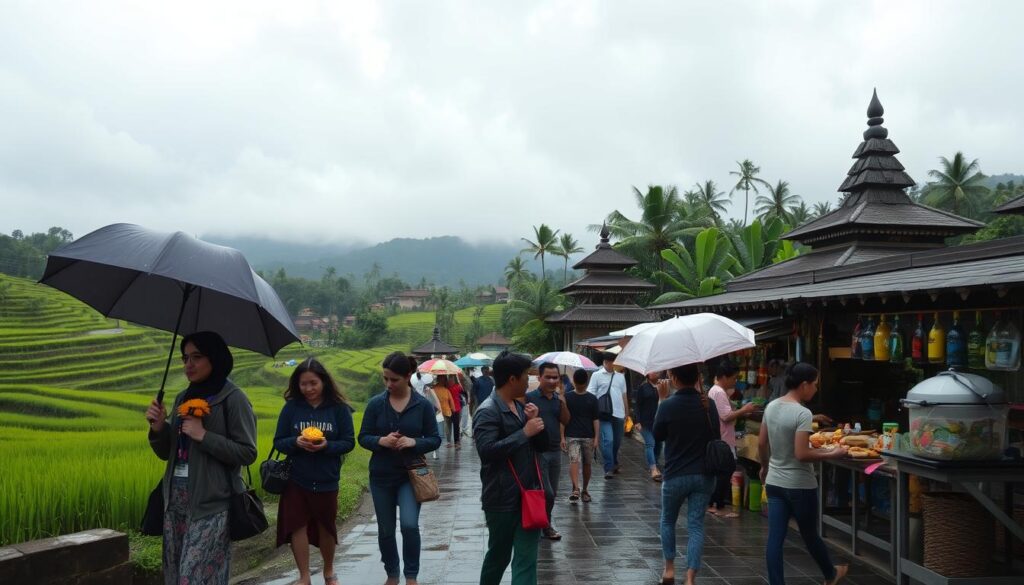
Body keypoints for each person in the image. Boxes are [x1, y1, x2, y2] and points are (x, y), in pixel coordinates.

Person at [145, 331, 257, 585]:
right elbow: (167, 453)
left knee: (192, 578)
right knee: (174, 576)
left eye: (196, 357)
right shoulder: (182, 398)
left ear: (215, 358)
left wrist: (203, 435)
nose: (189, 365)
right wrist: (159, 427)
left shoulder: (233, 399)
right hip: (174, 501)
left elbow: (247, 452)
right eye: (185, 358)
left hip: (211, 503)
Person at [759, 362, 849, 585]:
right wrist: (832, 453)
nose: (816, 389)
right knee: (809, 534)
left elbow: (762, 443)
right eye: (815, 385)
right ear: (804, 384)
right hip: (800, 485)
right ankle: (830, 574)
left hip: (774, 483)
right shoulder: (802, 413)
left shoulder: (771, 406)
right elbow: (802, 453)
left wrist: (764, 466)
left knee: (775, 538)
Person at [357, 352, 443, 585]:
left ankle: (411, 576)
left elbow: (435, 439)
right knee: (385, 529)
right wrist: (380, 441)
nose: (388, 384)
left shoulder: (422, 405)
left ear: (407, 377)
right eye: (385, 379)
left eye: (394, 379)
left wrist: (414, 442)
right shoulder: (376, 404)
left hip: (410, 475)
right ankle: (392, 573)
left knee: (408, 525)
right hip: (381, 475)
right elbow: (363, 437)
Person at [273, 358, 356, 585]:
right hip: (296, 477)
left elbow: (349, 442)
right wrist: (296, 442)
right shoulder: (291, 408)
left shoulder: (338, 409)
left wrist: (327, 445)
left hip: (327, 477)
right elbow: (279, 441)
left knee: (325, 526)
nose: (308, 389)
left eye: (313, 383)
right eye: (303, 384)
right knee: (296, 525)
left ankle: (328, 570)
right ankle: (304, 576)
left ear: (324, 382)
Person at [474, 351, 549, 585]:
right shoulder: (488, 411)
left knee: (526, 559)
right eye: (526, 375)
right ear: (512, 379)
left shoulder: (521, 406)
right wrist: (523, 433)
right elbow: (486, 452)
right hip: (501, 498)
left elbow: (542, 446)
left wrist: (533, 424)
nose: (530, 380)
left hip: (529, 494)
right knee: (499, 556)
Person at [653, 363, 717, 585]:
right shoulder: (708, 404)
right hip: (704, 474)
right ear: (697, 377)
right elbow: (716, 434)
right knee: (696, 525)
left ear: (673, 378)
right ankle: (690, 577)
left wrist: (661, 400)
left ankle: (669, 569)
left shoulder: (668, 405)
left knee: (668, 520)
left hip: (675, 474)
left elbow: (658, 435)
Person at [525, 361, 571, 541]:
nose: (552, 381)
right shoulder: (530, 398)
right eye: (548, 377)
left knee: (553, 492)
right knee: (547, 492)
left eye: (555, 377)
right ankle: (544, 524)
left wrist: (563, 403)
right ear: (539, 378)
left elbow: (566, 421)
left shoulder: (558, 399)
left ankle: (545, 522)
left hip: (555, 451)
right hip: (538, 450)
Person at [707, 359, 756, 518]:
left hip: (720, 436)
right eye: (734, 378)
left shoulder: (715, 391)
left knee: (722, 472)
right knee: (725, 471)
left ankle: (715, 503)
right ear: (724, 377)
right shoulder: (719, 392)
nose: (735, 381)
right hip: (723, 438)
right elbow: (726, 416)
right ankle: (717, 505)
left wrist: (741, 411)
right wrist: (744, 410)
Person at [588, 352, 630, 479]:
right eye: (612, 362)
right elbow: (591, 394)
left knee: (617, 442)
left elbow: (624, 395)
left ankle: (613, 461)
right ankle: (608, 468)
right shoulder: (596, 375)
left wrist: (627, 411)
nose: (614, 365)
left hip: (619, 413)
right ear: (605, 362)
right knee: (608, 440)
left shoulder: (620, 377)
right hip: (603, 414)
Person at [563, 368, 598, 504]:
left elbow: (596, 419)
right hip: (572, 435)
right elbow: (563, 418)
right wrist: (562, 436)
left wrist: (596, 438)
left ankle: (584, 489)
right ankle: (576, 488)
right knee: (574, 460)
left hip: (588, 435)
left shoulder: (592, 399)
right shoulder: (567, 397)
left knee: (587, 463)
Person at [634, 371, 664, 482]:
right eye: (653, 371)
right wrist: (637, 421)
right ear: (648, 374)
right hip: (645, 422)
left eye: (657, 371)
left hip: (659, 421)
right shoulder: (643, 387)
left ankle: (654, 463)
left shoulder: (662, 386)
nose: (656, 373)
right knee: (650, 443)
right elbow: (637, 405)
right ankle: (653, 469)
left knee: (659, 444)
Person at [431, 376, 456, 448]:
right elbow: (451, 402)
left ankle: (440, 441)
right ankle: (448, 442)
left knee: (438, 427)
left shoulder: (433, 389)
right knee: (447, 428)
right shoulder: (446, 390)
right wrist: (453, 410)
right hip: (445, 411)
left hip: (436, 412)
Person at [446, 375, 465, 448]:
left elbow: (463, 390)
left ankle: (456, 442)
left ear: (454, 380)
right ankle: (450, 442)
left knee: (456, 425)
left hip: (456, 409)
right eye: (450, 380)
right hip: (449, 409)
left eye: (452, 380)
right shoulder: (447, 388)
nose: (451, 381)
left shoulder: (457, 387)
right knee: (449, 426)